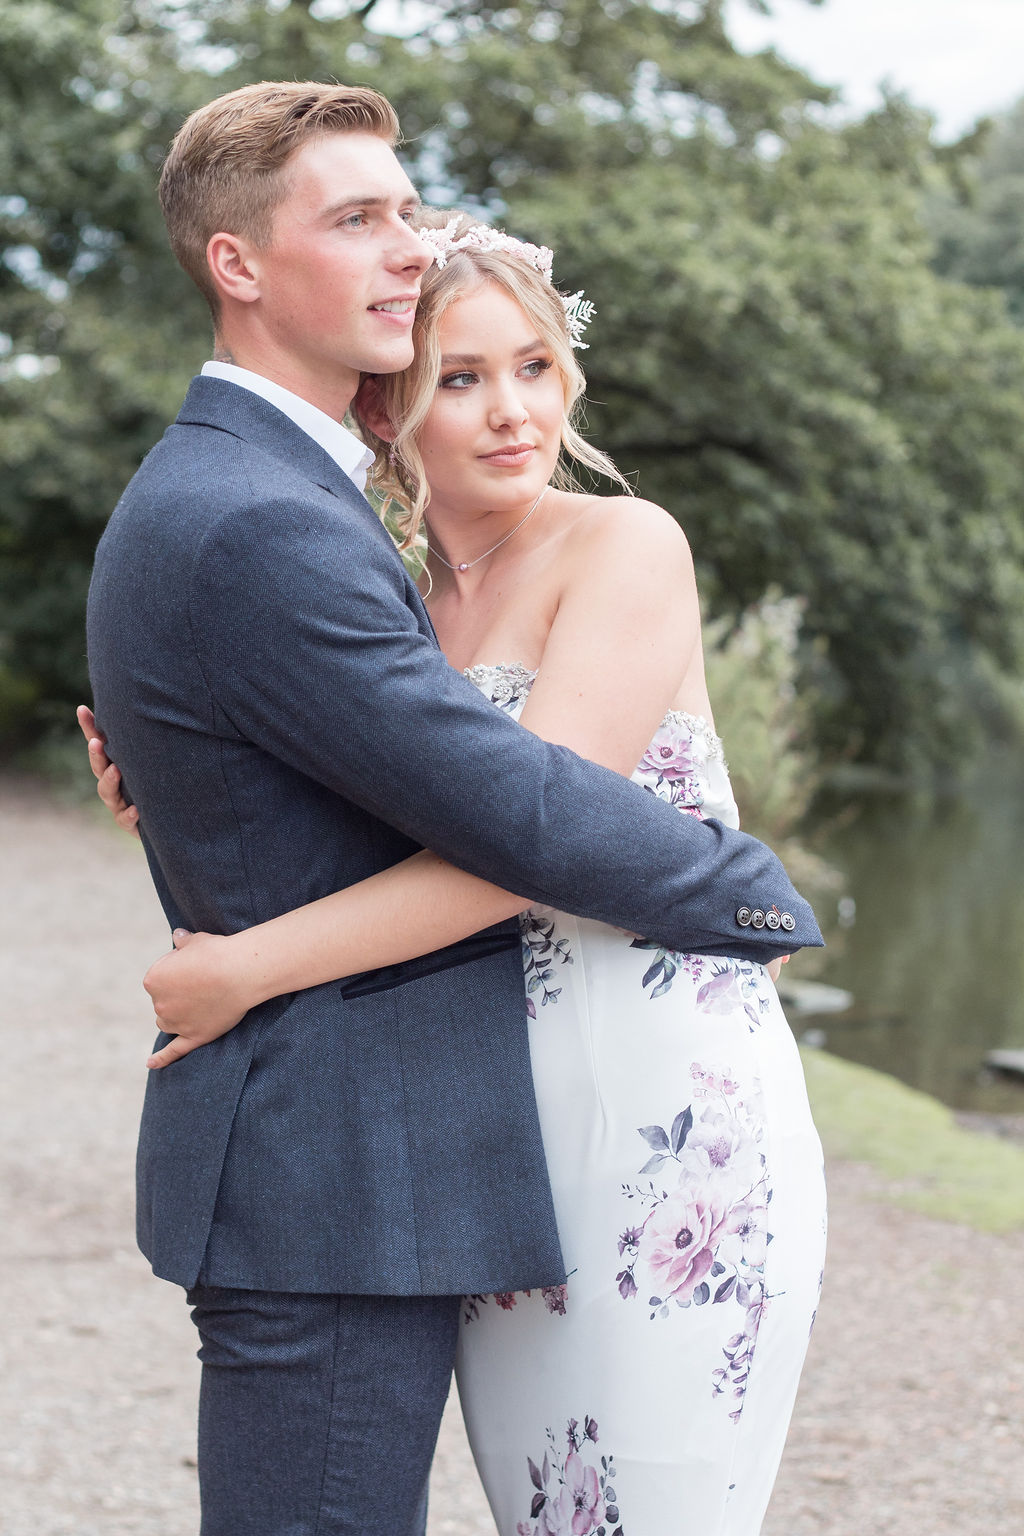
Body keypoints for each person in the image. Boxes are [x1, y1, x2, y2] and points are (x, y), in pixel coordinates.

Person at [83, 82, 821, 1536]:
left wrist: (246, 954)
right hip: (470, 1132)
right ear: (396, 394)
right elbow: (489, 812)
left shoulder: (610, 542)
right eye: (463, 376)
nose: (510, 409)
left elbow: (499, 817)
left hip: (645, 1088)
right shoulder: (317, 543)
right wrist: (741, 879)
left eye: (535, 368)